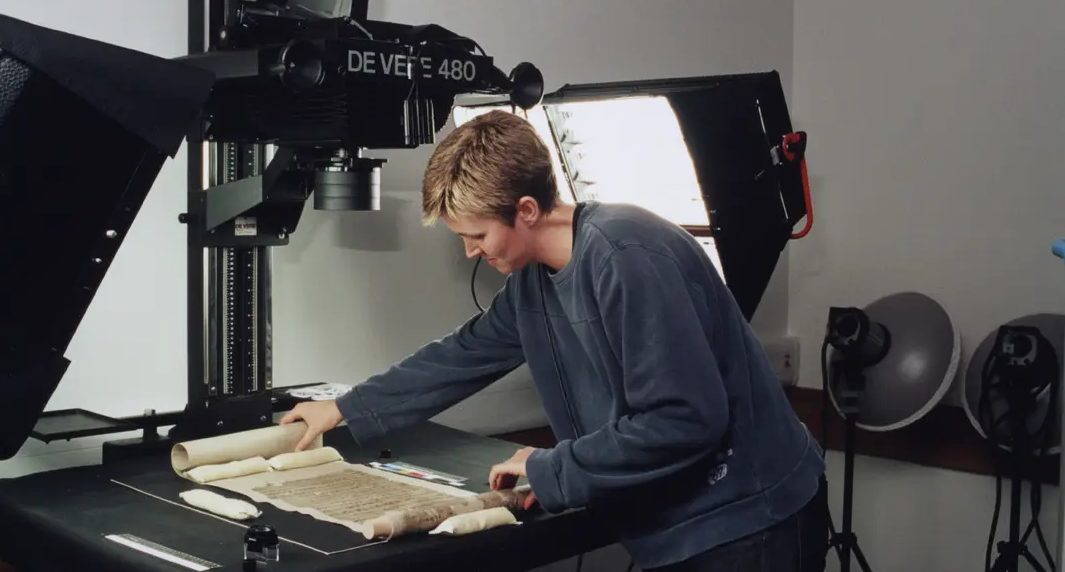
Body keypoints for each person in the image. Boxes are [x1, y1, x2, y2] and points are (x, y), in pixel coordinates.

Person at [280, 109, 830, 571]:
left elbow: (684, 419)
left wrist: (554, 469)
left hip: (751, 520)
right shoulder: (532, 285)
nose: (471, 252)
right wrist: (346, 407)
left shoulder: (626, 257)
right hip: (683, 528)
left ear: (525, 209)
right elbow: (463, 353)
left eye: (477, 235)